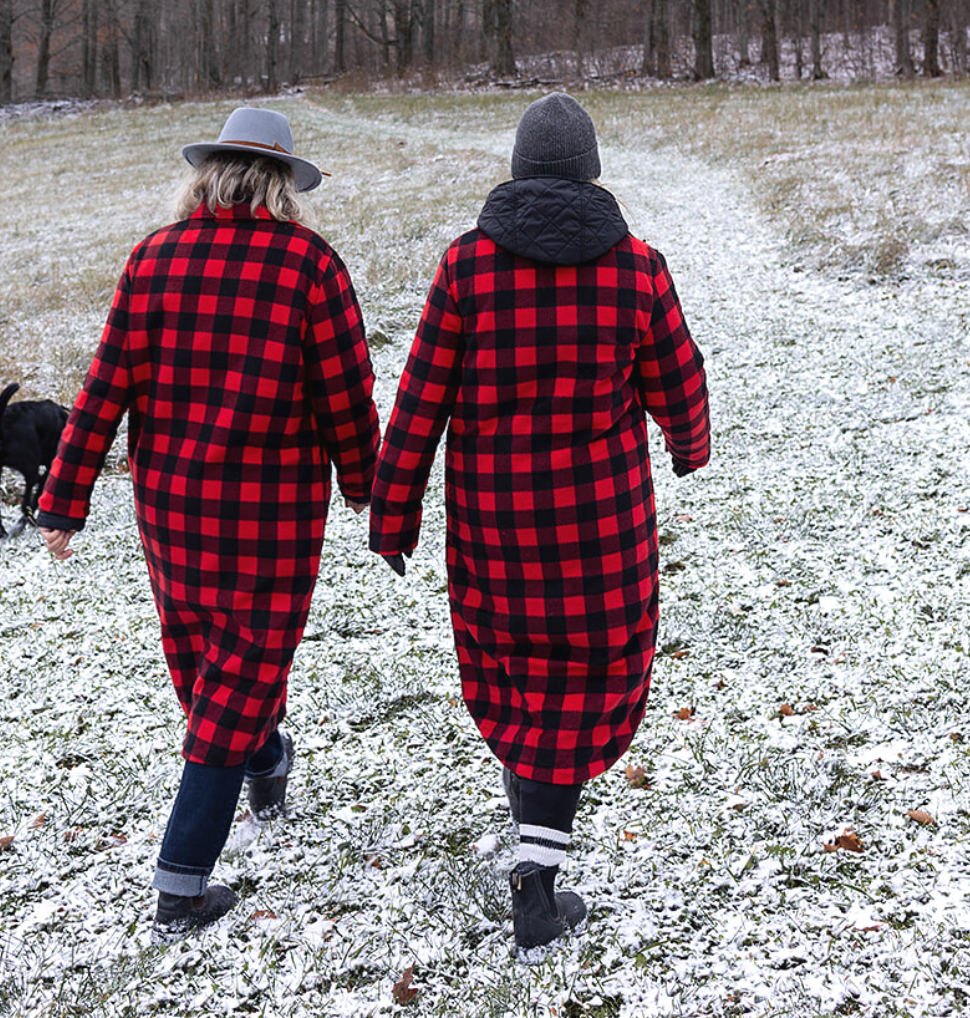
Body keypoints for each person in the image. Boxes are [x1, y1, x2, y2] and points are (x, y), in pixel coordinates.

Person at [369, 93, 710, 956]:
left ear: (518, 167)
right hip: (602, 527)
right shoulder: (637, 269)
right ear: (591, 170)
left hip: (495, 527)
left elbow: (418, 402)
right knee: (582, 683)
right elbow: (679, 378)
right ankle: (538, 877)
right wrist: (688, 445)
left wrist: (393, 511)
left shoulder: (466, 269)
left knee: (517, 677)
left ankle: (535, 853)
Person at [38, 106, 380, 937]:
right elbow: (345, 394)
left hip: (173, 515)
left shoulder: (152, 258)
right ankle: (183, 882)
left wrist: (66, 499)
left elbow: (103, 387)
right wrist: (366, 483)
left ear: (209, 176)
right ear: (280, 186)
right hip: (270, 522)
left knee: (210, 675)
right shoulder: (310, 265)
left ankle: (263, 757)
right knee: (227, 684)